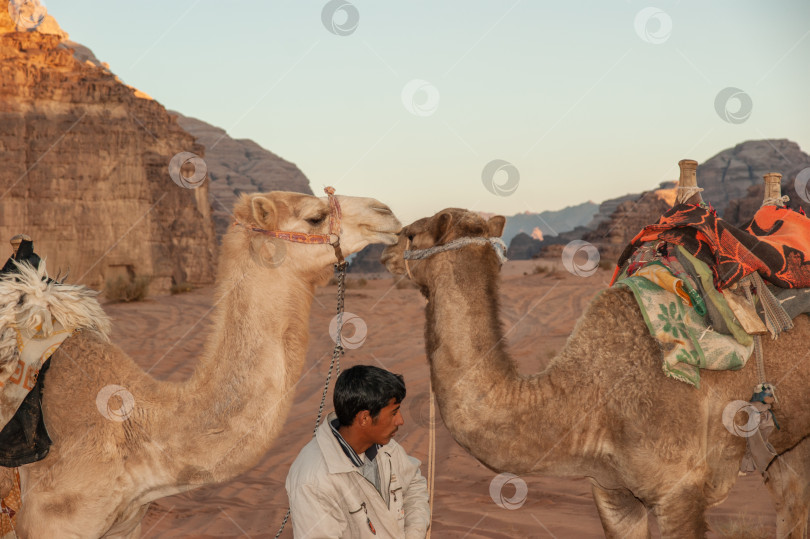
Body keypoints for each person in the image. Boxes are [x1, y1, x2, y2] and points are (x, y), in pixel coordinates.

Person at [286, 365, 430, 538]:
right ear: (364, 418)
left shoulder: (386, 447)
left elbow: (414, 483)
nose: (401, 421)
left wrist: (414, 533)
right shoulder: (314, 481)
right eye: (394, 413)